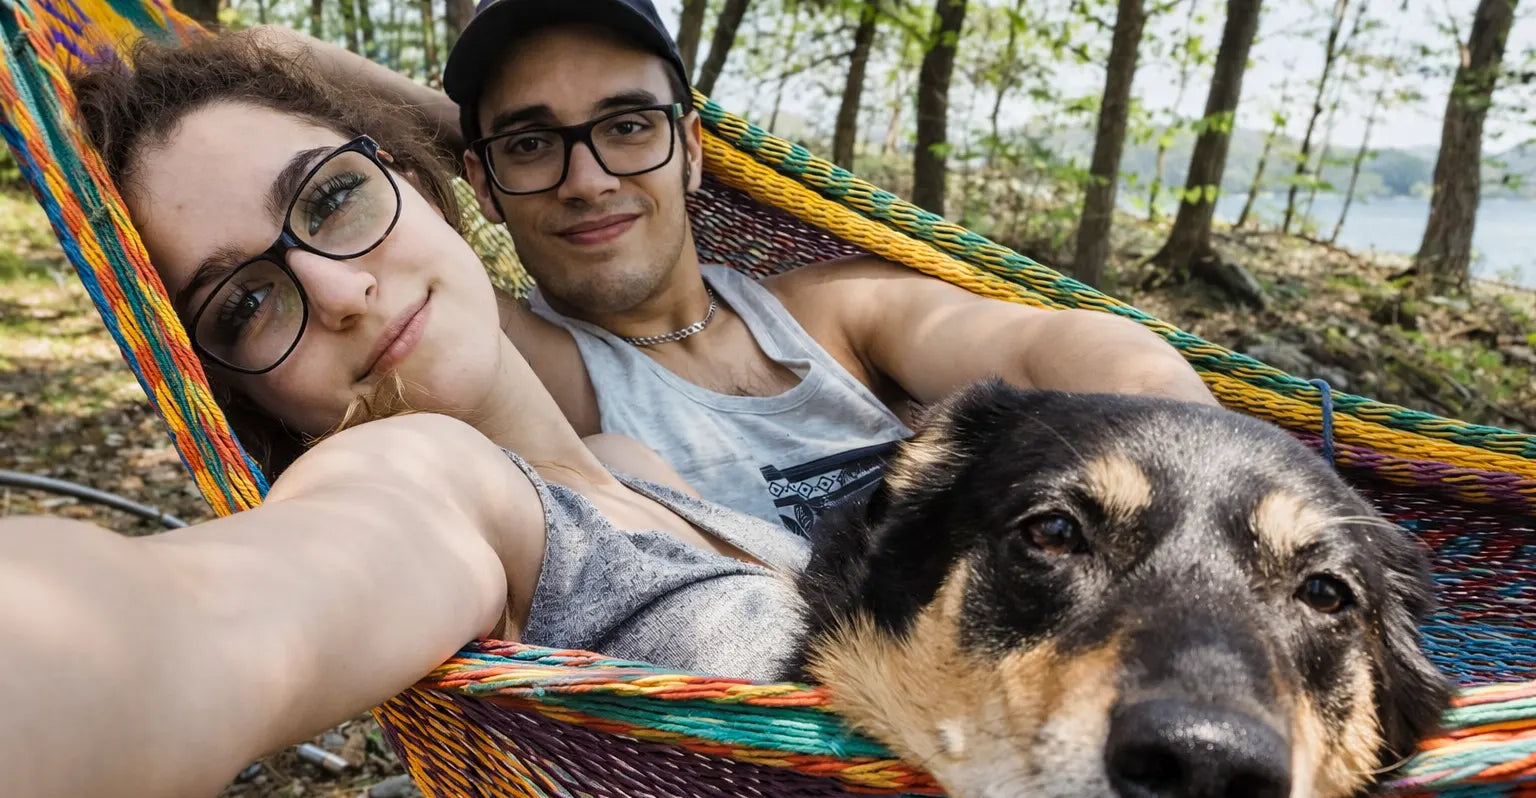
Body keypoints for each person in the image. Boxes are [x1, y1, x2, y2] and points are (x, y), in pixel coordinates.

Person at [68, 29, 813, 752]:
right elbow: (195, 623)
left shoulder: (628, 466)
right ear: (240, 391)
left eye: (332, 200)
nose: (341, 291)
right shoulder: (435, 493)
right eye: (244, 305)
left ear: (421, 186)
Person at [251, 5, 1215, 536]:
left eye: (627, 127)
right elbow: (267, 53)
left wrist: (1207, 483)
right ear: (483, 183)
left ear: (694, 152)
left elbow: (1054, 346)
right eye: (535, 146)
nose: (587, 182)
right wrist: (486, 131)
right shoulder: (533, 369)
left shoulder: (832, 313)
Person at [1, 414, 516, 798]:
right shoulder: (417, 462)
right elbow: (202, 622)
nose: (345, 309)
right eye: (245, 312)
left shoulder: (593, 395)